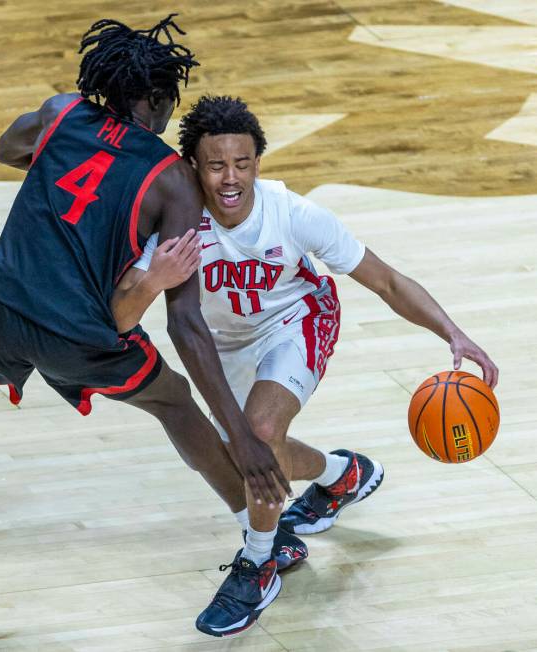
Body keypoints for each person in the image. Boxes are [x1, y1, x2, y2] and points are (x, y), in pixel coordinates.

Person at [113, 95, 500, 638]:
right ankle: (341, 475)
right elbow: (121, 317)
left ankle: (258, 563)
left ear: (258, 164)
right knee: (248, 453)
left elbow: (386, 280)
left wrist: (453, 332)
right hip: (222, 346)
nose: (231, 178)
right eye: (217, 164)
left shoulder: (291, 214)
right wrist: (153, 279)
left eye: (242, 164)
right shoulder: (176, 224)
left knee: (261, 432)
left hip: (296, 321)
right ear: (194, 167)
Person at [0, 18, 294, 573]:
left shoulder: (61, 113)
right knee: (171, 400)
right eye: (169, 100)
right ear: (156, 99)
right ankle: (258, 533)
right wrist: (240, 436)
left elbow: (7, 149)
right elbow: (186, 325)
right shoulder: (174, 180)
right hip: (79, 336)